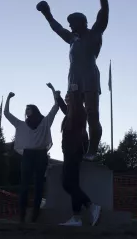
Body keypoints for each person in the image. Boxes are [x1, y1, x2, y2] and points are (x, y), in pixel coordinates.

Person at [36, 0, 109, 161]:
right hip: (73, 80)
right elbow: (57, 27)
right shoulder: (72, 39)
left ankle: (92, 150)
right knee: (73, 116)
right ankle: (75, 149)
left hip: (90, 77)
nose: (69, 25)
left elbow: (104, 13)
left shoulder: (94, 33)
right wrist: (47, 13)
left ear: (81, 22)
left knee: (92, 114)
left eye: (72, 22)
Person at [4, 87, 59, 224]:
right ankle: (22, 214)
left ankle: (35, 213)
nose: (26, 111)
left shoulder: (45, 122)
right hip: (28, 155)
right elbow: (6, 113)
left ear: (34, 110)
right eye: (26, 109)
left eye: (28, 109)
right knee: (24, 185)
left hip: (40, 155)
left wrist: (53, 90)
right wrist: (8, 98)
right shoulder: (21, 124)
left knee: (39, 184)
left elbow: (56, 107)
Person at [50, 86, 102, 227]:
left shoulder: (80, 111)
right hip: (69, 152)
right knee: (72, 185)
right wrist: (56, 95)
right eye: (66, 97)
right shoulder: (71, 113)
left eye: (69, 96)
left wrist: (74, 88)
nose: (67, 98)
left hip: (74, 152)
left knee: (68, 183)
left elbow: (73, 103)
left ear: (75, 98)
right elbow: (63, 107)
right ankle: (77, 217)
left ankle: (91, 206)